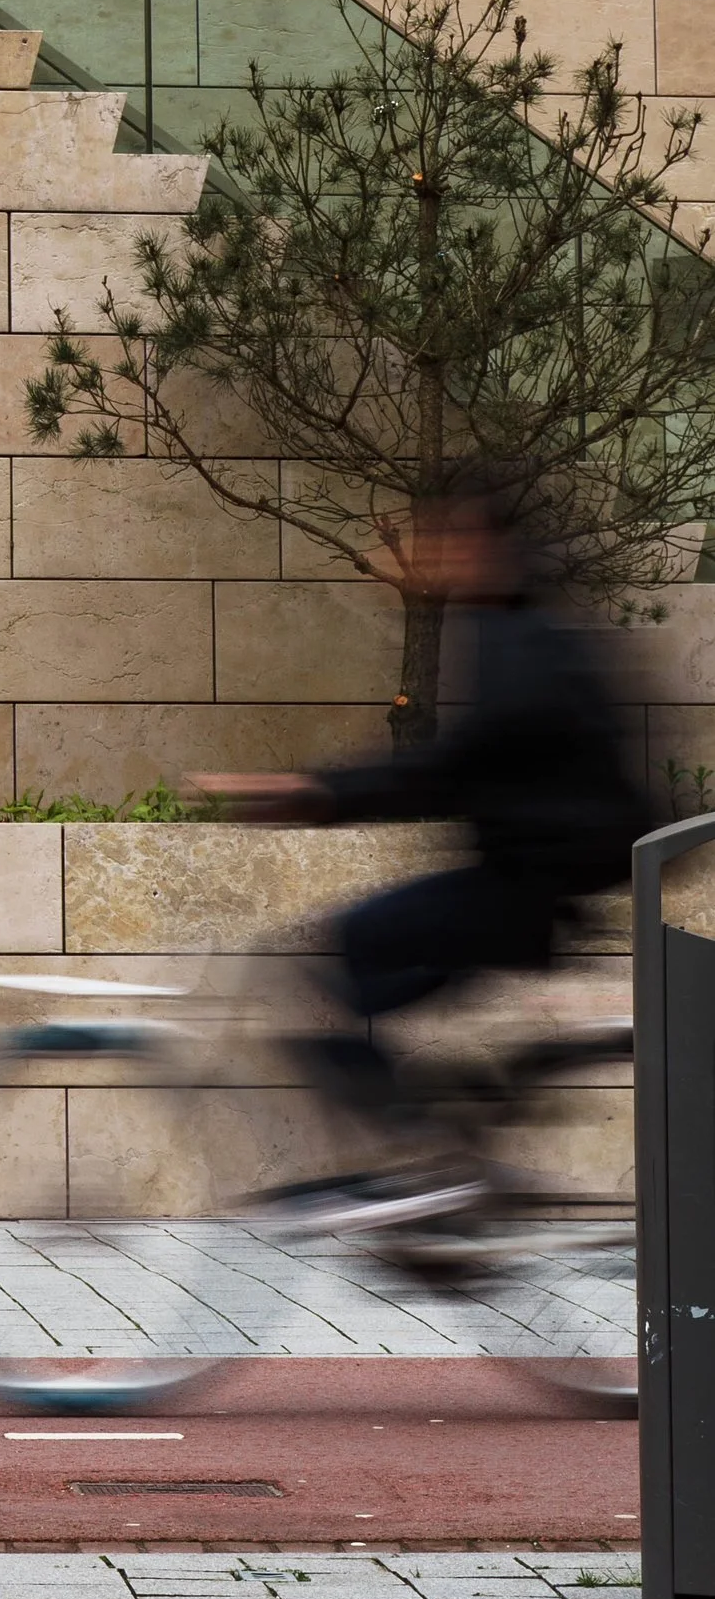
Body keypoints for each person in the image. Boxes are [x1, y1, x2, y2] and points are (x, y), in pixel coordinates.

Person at [196, 465, 655, 1232]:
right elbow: (472, 768)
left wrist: (318, 794)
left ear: (485, 544)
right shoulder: (520, 632)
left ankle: (429, 1163)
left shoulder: (519, 641)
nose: (432, 555)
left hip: (526, 887)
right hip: (531, 879)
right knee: (368, 973)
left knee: (348, 945)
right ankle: (452, 1140)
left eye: (445, 538)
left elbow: (456, 768)